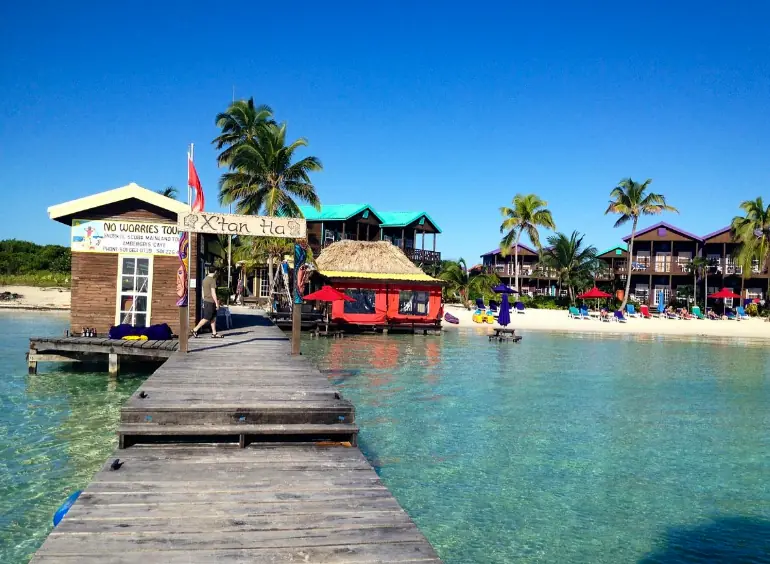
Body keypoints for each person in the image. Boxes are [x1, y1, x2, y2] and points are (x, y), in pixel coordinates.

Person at [192, 266, 223, 338]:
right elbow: (213, 292)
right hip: (210, 301)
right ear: (215, 272)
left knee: (213, 317)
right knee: (207, 317)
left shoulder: (204, 279)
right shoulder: (212, 280)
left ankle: (214, 333)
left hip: (206, 300)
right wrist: (216, 303)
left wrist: (203, 300)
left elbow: (203, 291)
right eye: (217, 272)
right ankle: (195, 329)